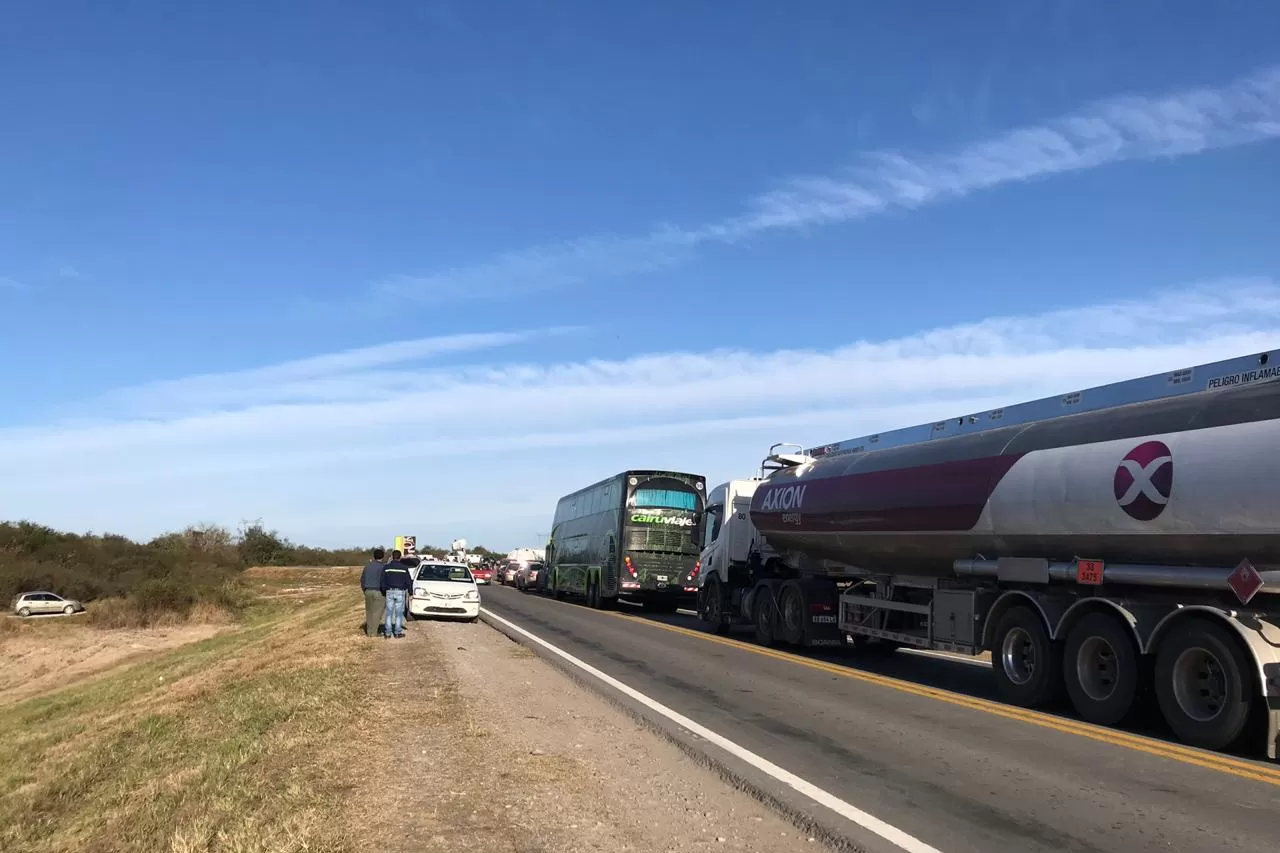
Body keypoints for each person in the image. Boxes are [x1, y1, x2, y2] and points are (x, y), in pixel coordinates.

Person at [380, 549, 414, 639]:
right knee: (399, 614)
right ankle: (397, 633)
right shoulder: (404, 568)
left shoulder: (386, 567)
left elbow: (382, 580)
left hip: (389, 591)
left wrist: (384, 590)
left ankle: (387, 633)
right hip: (400, 592)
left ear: (392, 557)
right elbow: (408, 581)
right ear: (400, 557)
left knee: (389, 613)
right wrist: (411, 592)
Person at [361, 547, 387, 637]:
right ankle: (374, 633)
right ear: (382, 557)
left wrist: (364, 590)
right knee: (377, 613)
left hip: (368, 591)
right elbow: (385, 580)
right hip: (379, 591)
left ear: (374, 556)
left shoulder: (367, 566)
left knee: (369, 612)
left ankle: (369, 632)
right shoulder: (383, 567)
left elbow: (362, 579)